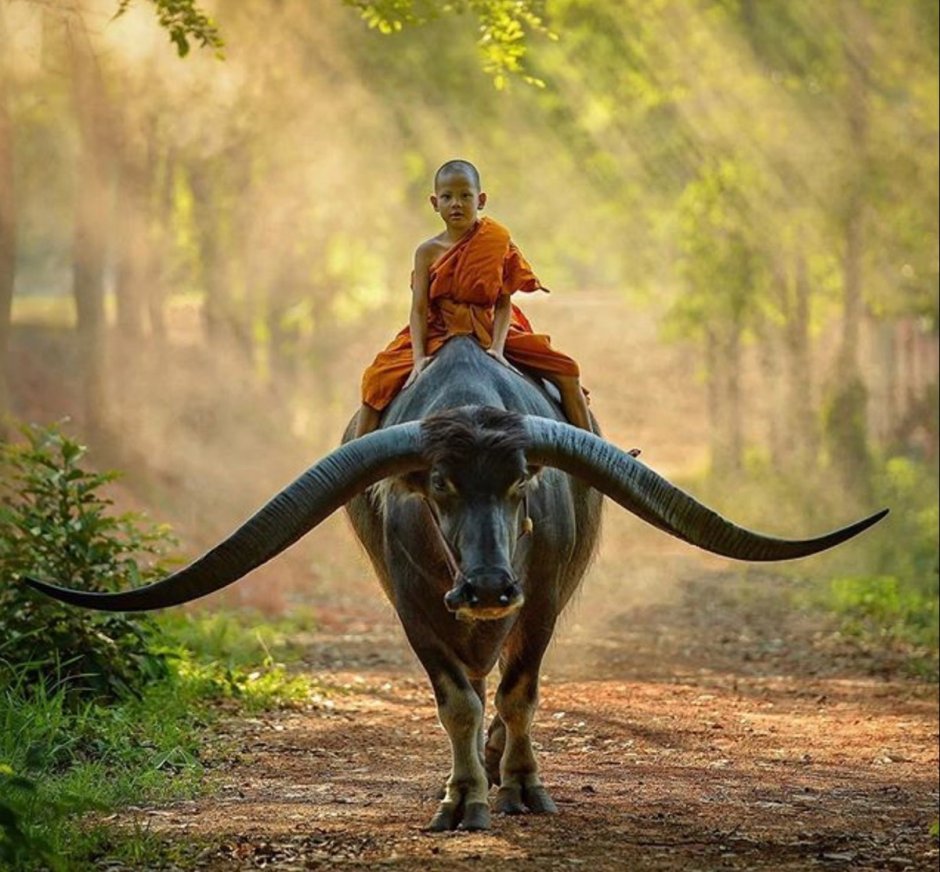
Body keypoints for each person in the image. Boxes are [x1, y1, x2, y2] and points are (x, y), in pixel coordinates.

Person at [355, 159, 592, 437]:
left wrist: (498, 349)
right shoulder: (427, 252)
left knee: (568, 371)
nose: (456, 203)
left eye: (465, 196)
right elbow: (419, 310)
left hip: (489, 327)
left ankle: (598, 459)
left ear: (480, 200)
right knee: (375, 381)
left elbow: (504, 303)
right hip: (437, 329)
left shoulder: (496, 240)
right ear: (435, 203)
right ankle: (352, 471)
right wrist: (419, 359)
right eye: (447, 197)